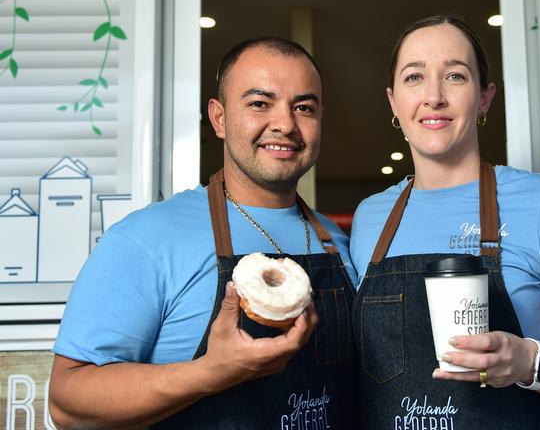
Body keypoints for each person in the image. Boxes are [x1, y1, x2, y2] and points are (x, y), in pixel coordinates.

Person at [49, 37, 358, 429]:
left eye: (304, 107)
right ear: (220, 118)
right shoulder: (147, 238)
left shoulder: (338, 242)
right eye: (259, 103)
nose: (284, 124)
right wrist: (209, 373)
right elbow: (68, 403)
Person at [350, 14, 540, 429]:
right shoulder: (370, 219)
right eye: (414, 77)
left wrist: (527, 361)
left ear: (485, 97)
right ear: (394, 101)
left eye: (456, 77)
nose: (434, 96)